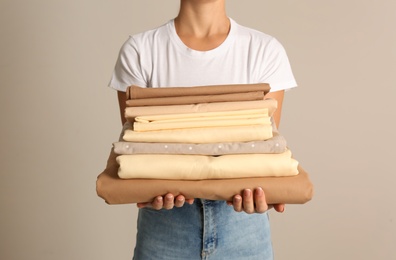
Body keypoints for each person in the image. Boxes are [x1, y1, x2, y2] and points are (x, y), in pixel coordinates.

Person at [108, 0, 297, 259]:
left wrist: (261, 191)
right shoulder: (141, 50)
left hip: (243, 230)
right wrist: (150, 186)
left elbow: (262, 149)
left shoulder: (263, 50)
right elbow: (139, 153)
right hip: (165, 229)